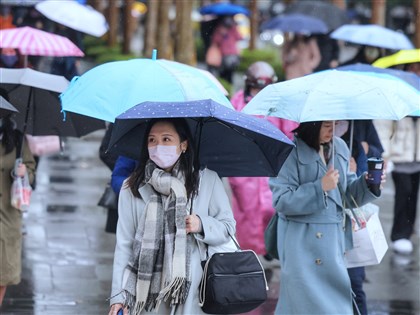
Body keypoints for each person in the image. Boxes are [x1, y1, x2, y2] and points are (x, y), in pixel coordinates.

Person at [108, 118, 236, 315]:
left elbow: (228, 227)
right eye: (152, 140)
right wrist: (118, 296)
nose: (158, 146)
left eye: (166, 139)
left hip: (193, 290)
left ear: (183, 145)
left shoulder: (207, 181)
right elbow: (124, 245)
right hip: (146, 294)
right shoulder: (131, 188)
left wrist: (201, 224)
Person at [269, 121, 384, 314]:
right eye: (326, 125)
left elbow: (346, 196)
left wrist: (368, 184)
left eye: (335, 123)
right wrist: (319, 187)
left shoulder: (339, 146)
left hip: (333, 243)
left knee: (335, 305)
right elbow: (281, 201)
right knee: (302, 306)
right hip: (301, 245)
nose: (333, 129)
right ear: (312, 125)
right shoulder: (289, 151)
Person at [228, 61, 298, 269]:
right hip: (244, 167)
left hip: (271, 166)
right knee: (245, 211)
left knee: (272, 208)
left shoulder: (279, 104)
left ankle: (269, 246)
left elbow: (290, 132)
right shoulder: (238, 101)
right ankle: (248, 252)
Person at [0, 115, 36, 305]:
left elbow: (31, 172)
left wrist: (21, 173)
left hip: (8, 217)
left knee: (3, 274)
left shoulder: (17, 139)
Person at [374, 116, 419, 255]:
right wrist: (385, 156)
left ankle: (407, 231)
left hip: (417, 159)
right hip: (399, 158)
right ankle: (399, 234)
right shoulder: (398, 102)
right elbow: (383, 129)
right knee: (404, 193)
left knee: (413, 196)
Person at [209, 15, 242, 83]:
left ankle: (229, 86)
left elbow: (239, 37)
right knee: (223, 73)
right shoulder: (219, 29)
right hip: (223, 55)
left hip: (232, 54)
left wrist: (235, 28)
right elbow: (215, 41)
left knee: (230, 73)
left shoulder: (233, 29)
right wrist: (222, 34)